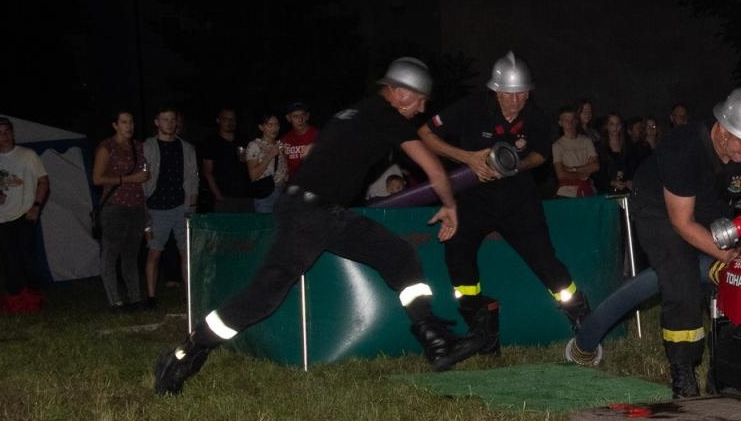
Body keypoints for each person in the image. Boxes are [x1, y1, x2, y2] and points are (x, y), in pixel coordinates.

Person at [153, 58, 487, 395]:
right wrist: (449, 206)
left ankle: (435, 341)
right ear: (400, 93)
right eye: (420, 100)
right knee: (263, 297)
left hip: (322, 212)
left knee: (399, 256)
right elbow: (435, 171)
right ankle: (184, 355)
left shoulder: (355, 112)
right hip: (310, 214)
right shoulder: (387, 117)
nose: (421, 108)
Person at [418, 52, 594, 350]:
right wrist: (469, 159)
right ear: (496, 90)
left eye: (523, 93)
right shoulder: (472, 107)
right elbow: (425, 133)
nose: (517, 100)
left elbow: (541, 153)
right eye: (510, 94)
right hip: (474, 199)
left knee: (545, 261)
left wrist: (516, 165)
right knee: (457, 252)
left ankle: (583, 318)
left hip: (519, 201)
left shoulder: (534, 115)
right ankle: (481, 325)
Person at [628, 83, 741, 397]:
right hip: (661, 206)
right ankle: (683, 370)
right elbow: (682, 223)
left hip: (713, 203)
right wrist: (726, 256)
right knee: (681, 275)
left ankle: (724, 369)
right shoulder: (682, 147)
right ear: (722, 128)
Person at [91, 110, 149, 311]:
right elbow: (97, 179)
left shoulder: (138, 146)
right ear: (115, 125)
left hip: (136, 206)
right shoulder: (107, 147)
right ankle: (115, 301)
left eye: (131, 122)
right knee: (111, 254)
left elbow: (144, 175)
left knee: (131, 255)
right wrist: (128, 179)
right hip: (115, 206)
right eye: (124, 122)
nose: (129, 126)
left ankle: (135, 298)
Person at [0, 116, 52, 312]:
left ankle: (34, 298)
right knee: (9, 258)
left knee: (27, 256)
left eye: (7, 131)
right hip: (0, 217)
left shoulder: (28, 155)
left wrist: (36, 206)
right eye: (0, 133)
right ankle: (15, 300)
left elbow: (43, 181)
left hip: (25, 213)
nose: (5, 136)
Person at [142, 108, 199, 307]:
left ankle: (190, 296)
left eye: (172, 120)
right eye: (165, 119)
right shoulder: (147, 147)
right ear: (157, 122)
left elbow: (193, 178)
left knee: (186, 252)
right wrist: (144, 208)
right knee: (154, 251)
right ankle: (150, 296)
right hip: (156, 207)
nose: (169, 123)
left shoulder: (187, 148)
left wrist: (191, 207)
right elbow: (142, 179)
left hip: (180, 206)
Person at [200, 108, 253, 213]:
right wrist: (217, 194)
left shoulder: (243, 139)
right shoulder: (211, 142)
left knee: (245, 228)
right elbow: (207, 172)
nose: (230, 122)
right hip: (224, 196)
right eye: (226, 119)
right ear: (218, 120)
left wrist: (246, 160)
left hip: (245, 195)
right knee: (226, 228)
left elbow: (252, 166)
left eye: (233, 119)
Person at [245, 113, 288, 214]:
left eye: (277, 124)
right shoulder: (254, 145)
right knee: (266, 228)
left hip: (282, 193)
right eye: (270, 125)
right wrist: (270, 155)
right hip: (266, 194)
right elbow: (253, 175)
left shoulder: (280, 145)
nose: (274, 128)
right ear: (261, 127)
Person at [551, 106, 598, 197]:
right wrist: (584, 172)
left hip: (588, 190)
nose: (570, 123)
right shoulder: (557, 145)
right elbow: (561, 174)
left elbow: (595, 166)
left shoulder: (586, 141)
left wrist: (573, 169)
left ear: (576, 121)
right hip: (566, 193)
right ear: (560, 123)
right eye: (566, 120)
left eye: (572, 119)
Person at [592, 113, 633, 195]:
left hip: (625, 191)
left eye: (618, 124)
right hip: (606, 192)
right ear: (606, 126)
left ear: (621, 126)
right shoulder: (599, 147)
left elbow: (632, 168)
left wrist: (629, 181)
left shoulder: (628, 147)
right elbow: (596, 175)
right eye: (612, 124)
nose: (615, 127)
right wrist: (612, 182)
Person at [279, 101, 317, 179]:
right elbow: (282, 165)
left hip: (314, 181)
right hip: (293, 184)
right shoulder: (285, 139)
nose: (300, 119)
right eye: (295, 116)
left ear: (307, 116)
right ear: (288, 118)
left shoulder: (318, 136)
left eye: (303, 115)